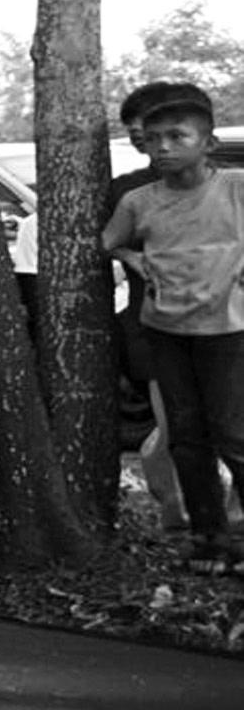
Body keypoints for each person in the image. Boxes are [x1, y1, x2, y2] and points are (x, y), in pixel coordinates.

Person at [101, 81, 244, 574]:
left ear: (209, 143)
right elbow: (108, 242)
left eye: (177, 137)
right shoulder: (138, 200)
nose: (163, 147)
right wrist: (133, 258)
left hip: (229, 330)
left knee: (233, 432)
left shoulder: (234, 188)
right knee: (185, 435)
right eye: (153, 138)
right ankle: (208, 540)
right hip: (165, 330)